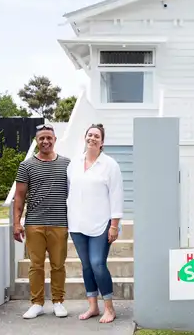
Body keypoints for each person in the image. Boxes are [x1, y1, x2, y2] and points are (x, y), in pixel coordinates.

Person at [66, 124, 124, 324]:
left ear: (102, 142)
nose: (92, 138)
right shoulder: (74, 164)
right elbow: (69, 193)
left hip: (101, 225)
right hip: (77, 225)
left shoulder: (110, 165)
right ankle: (93, 306)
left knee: (98, 264)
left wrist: (114, 225)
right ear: (85, 138)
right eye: (89, 134)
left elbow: (116, 196)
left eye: (96, 136)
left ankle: (109, 308)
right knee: (86, 266)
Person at [13, 123, 71, 319]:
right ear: (36, 141)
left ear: (55, 140)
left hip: (59, 223)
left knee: (58, 265)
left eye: (49, 138)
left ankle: (58, 302)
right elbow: (19, 196)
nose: (45, 141)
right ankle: (36, 303)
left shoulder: (67, 164)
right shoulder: (26, 165)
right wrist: (16, 223)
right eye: (41, 138)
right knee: (35, 265)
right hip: (34, 223)